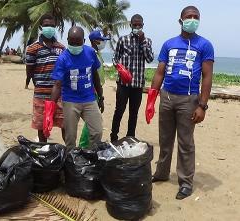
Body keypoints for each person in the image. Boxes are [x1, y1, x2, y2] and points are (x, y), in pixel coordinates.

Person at [145, 6, 214, 200]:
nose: (192, 19)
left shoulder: (205, 45)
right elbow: (159, 72)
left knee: (185, 143)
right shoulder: (169, 44)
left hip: (189, 100)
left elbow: (207, 77)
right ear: (180, 20)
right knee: (165, 140)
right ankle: (161, 173)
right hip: (166, 98)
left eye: (196, 17)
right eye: (188, 17)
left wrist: (202, 105)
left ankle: (185, 182)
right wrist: (151, 99)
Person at [44, 26, 104, 150]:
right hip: (70, 101)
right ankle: (71, 160)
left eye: (78, 43)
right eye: (72, 42)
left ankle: (90, 155)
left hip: (89, 99)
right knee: (70, 137)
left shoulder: (90, 53)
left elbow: (95, 76)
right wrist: (50, 110)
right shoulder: (63, 59)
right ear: (67, 40)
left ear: (84, 41)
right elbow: (57, 85)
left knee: (97, 131)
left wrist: (100, 97)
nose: (75, 46)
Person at [110, 14, 154, 142]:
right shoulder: (123, 40)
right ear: (130, 25)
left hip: (138, 84)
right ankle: (114, 136)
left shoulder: (148, 41)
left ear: (143, 25)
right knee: (119, 111)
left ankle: (130, 137)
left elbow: (150, 59)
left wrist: (143, 43)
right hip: (123, 84)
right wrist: (120, 68)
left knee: (133, 113)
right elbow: (115, 57)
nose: (137, 27)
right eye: (134, 25)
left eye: (139, 25)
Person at [25, 13, 66, 142]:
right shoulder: (32, 48)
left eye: (52, 26)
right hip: (41, 94)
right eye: (47, 25)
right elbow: (29, 71)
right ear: (41, 27)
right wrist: (39, 84)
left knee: (64, 125)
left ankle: (69, 151)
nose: (49, 28)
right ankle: (44, 151)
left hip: (60, 95)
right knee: (43, 127)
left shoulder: (61, 48)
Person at [78, 30, 110, 148]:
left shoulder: (97, 54)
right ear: (95, 41)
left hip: (97, 90)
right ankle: (84, 146)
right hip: (92, 91)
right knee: (91, 122)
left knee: (93, 121)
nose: (103, 43)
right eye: (102, 40)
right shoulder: (90, 54)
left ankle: (89, 144)